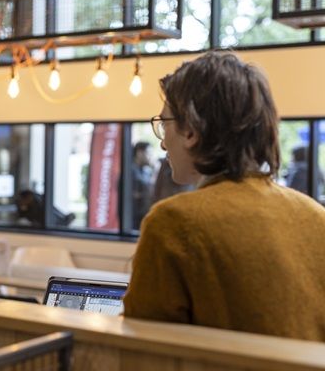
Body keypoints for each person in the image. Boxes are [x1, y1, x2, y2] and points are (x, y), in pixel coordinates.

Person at [123, 51, 325, 342]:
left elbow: (140, 350)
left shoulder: (174, 222)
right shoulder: (316, 217)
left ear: (190, 130)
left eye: (163, 123)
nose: (164, 142)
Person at [131, 141, 154, 229]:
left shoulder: (146, 171)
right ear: (139, 153)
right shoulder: (131, 172)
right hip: (135, 220)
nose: (150, 157)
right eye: (148, 153)